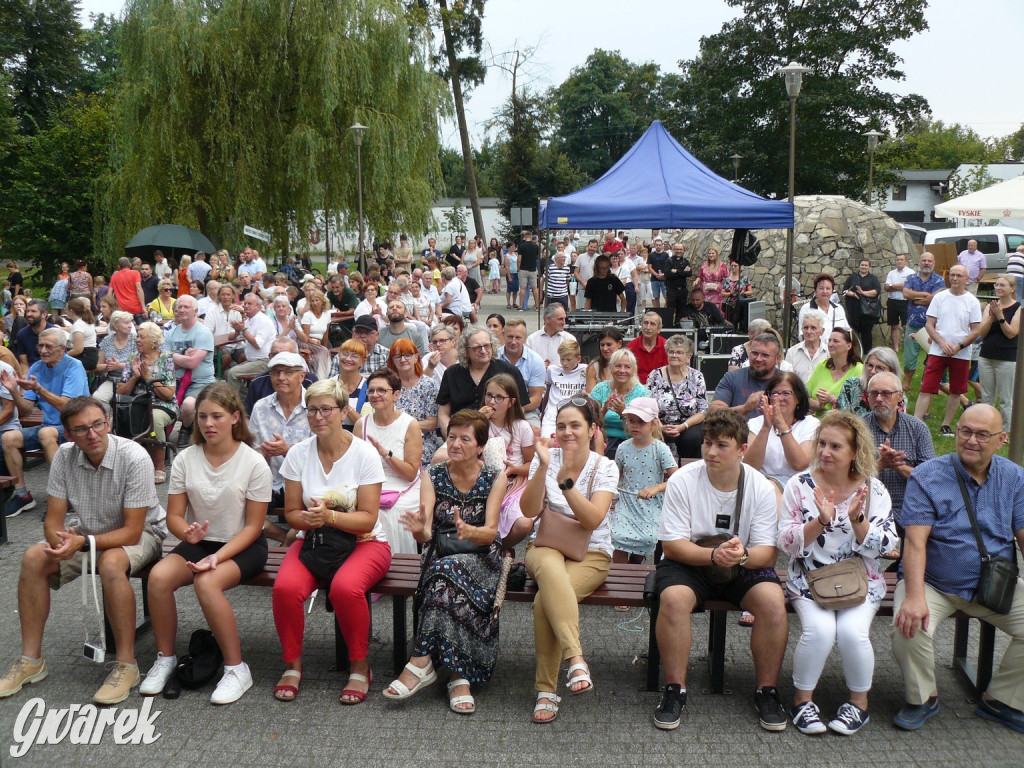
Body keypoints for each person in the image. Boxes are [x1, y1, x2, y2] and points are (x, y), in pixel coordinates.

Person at [0, 397, 167, 704]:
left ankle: (127, 665)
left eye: (97, 424)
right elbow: (53, 520)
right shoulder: (64, 456)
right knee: (34, 557)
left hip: (143, 532)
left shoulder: (135, 457)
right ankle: (31, 660)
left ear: (109, 423)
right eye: (81, 429)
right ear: (67, 434)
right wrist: (59, 542)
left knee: (112, 562)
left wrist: (82, 543)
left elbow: (132, 531)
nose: (92, 434)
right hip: (87, 531)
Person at [651, 409, 788, 731]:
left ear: (742, 450)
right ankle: (675, 689)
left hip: (742, 562)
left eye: (721, 445)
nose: (711, 452)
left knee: (772, 601)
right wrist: (714, 555)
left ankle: (767, 690)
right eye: (707, 443)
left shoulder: (761, 487)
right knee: (672, 599)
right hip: (690, 560)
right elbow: (672, 546)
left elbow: (767, 553)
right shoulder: (683, 479)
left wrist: (737, 557)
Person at [891, 404, 1024, 733]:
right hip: (935, 582)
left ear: (1001, 439)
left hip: (994, 584)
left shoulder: (1014, 477)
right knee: (908, 626)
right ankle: (923, 697)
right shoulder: (928, 476)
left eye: (983, 434)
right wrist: (915, 595)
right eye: (965, 431)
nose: (971, 440)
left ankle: (1001, 700)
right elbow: (916, 542)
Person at [140, 383, 271, 704]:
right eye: (202, 417)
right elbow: (174, 516)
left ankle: (236, 669)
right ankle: (165, 658)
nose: (209, 424)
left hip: (243, 545)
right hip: (199, 542)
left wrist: (218, 557)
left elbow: (254, 527)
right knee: (157, 578)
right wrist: (187, 533)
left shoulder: (253, 462)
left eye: (217, 416)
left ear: (236, 417)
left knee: (207, 583)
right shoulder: (186, 458)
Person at [778, 410, 897, 735]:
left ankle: (859, 705)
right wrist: (821, 521)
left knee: (851, 633)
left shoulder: (873, 491)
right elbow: (786, 542)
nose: (826, 452)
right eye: (823, 444)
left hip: (861, 581)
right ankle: (802, 702)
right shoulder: (799, 485)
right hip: (809, 581)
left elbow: (887, 544)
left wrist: (859, 522)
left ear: (855, 452)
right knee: (819, 631)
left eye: (836, 446)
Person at [385, 410, 505, 714]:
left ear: (480, 446)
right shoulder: (434, 474)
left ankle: (421, 662)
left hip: (481, 555)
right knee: (444, 572)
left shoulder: (494, 477)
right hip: (441, 551)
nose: (455, 443)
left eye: (465, 438)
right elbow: (427, 531)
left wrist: (472, 531)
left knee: (446, 574)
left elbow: (491, 532)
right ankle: (458, 676)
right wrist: (419, 529)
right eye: (452, 436)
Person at [519, 399, 619, 723]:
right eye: (561, 425)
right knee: (549, 569)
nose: (567, 432)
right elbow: (529, 510)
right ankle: (575, 659)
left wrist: (567, 484)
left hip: (592, 552)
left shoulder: (605, 466)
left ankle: (546, 690)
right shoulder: (546, 458)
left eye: (575, 425)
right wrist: (544, 467)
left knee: (542, 603)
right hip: (546, 544)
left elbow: (592, 520)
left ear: (592, 430)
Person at [1, 328, 90, 517]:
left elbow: (67, 406)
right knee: (8, 438)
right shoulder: (36, 368)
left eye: (48, 346)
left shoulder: (74, 366)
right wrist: (13, 392)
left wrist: (39, 389)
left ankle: (62, 497)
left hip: (77, 426)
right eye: (40, 345)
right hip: (49, 427)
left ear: (63, 348)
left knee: (46, 433)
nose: (42, 350)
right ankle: (22, 495)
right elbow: (26, 409)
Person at [354, 369, 422, 555]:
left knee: (391, 513)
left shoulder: (410, 425)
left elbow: (410, 473)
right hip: (372, 483)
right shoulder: (362, 424)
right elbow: (355, 466)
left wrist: (386, 454)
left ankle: (395, 563)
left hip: (403, 486)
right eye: (371, 391)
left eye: (382, 390)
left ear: (396, 394)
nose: (375, 395)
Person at [862, 371, 933, 538]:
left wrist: (898, 465)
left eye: (886, 393)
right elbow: (847, 477)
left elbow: (930, 480)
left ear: (900, 396)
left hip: (910, 507)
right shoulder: (857, 428)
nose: (879, 399)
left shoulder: (917, 429)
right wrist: (880, 464)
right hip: (868, 507)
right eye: (874, 393)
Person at [912, 265, 981, 436]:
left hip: (962, 353)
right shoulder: (940, 298)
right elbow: (929, 324)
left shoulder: (972, 301)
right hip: (937, 350)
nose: (955, 278)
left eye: (959, 275)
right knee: (926, 387)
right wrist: (942, 343)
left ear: (967, 279)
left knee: (957, 390)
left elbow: (976, 329)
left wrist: (959, 346)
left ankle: (946, 425)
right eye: (952, 275)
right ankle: (916, 423)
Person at [474, 373, 536, 553]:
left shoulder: (522, 427)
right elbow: (462, 451)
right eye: (489, 395)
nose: (492, 401)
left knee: (524, 523)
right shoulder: (478, 422)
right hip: (482, 482)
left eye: (499, 397)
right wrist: (477, 420)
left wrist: (515, 469)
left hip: (514, 483)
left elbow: (532, 464)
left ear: (511, 402)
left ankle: (499, 549)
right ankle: (490, 551)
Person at [612, 397, 677, 567]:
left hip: (651, 504)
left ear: (654, 424)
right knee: (617, 534)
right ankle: (619, 576)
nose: (634, 426)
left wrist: (657, 488)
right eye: (631, 421)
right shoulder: (623, 448)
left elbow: (677, 479)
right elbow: (615, 475)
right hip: (626, 502)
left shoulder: (660, 448)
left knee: (649, 537)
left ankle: (636, 561)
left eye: (641, 422)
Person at [436, 326, 528, 438]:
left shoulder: (509, 371)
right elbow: (443, 413)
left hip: (500, 434)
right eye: (477, 347)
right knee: (439, 456)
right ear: (466, 350)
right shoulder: (451, 373)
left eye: (487, 345)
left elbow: (519, 409)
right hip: (460, 433)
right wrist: (451, 435)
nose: (483, 351)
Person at [118, 321, 177, 484]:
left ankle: (159, 467)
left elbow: (169, 394)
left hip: (163, 405)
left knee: (155, 418)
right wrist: (136, 376)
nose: (137, 340)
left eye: (142, 337)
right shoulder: (132, 359)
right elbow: (121, 392)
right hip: (137, 404)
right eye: (137, 336)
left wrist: (149, 378)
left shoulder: (166, 358)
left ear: (154, 343)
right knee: (115, 416)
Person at [744, 373, 818, 489]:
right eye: (774, 393)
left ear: (798, 398)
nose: (779, 398)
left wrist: (780, 423)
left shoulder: (811, 424)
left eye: (786, 393)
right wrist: (766, 427)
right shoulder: (756, 423)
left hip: (798, 487)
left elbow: (799, 464)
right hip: (762, 486)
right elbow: (750, 466)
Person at [966, 274, 1019, 433]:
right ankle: (987, 428)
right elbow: (981, 332)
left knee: (1005, 399)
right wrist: (990, 317)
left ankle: (1005, 431)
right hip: (986, 356)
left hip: (1007, 358)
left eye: (1002, 285)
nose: (998, 288)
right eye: (996, 285)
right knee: (987, 396)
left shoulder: (1018, 308)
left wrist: (1000, 316)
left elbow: (1012, 333)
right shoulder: (990, 306)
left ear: (1012, 289)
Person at [164, 295, 216, 447]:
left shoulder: (203, 332)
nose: (182, 310)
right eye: (179, 307)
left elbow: (193, 363)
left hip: (200, 382)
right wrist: (182, 357)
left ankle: (186, 428)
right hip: (174, 381)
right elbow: (165, 365)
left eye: (186, 307)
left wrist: (173, 356)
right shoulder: (171, 333)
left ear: (195, 311)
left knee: (188, 405)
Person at [645, 334, 707, 460]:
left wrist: (682, 426)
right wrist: (660, 426)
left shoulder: (697, 376)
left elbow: (702, 411)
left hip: (688, 424)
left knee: (691, 438)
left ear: (688, 357)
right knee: (652, 435)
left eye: (679, 352)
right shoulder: (654, 375)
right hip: (659, 423)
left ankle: (689, 472)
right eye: (671, 352)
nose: (674, 355)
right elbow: (648, 406)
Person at [590, 349, 650, 459]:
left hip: (632, 442)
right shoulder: (600, 389)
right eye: (618, 366)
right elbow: (589, 422)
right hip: (602, 441)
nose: (622, 370)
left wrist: (624, 414)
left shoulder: (642, 393)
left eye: (627, 367)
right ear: (611, 368)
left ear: (633, 370)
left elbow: (646, 428)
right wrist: (603, 411)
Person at [710, 332, 783, 420]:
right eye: (755, 353)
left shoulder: (787, 382)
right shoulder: (732, 378)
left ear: (777, 359)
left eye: (765, 355)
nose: (758, 359)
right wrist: (745, 408)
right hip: (737, 433)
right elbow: (713, 412)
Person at [901, 251, 946, 390]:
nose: (926, 263)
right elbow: (906, 293)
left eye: (929, 261)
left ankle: (934, 383)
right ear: (919, 262)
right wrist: (925, 295)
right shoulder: (911, 278)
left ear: (933, 263)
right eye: (924, 260)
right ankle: (907, 383)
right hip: (913, 324)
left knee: (934, 356)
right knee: (909, 357)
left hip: (932, 326)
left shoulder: (939, 280)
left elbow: (934, 299)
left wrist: (916, 298)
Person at [224, 293, 276, 395]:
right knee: (226, 373)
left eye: (250, 304)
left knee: (232, 373)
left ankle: (234, 404)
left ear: (258, 307)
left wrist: (242, 330)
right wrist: (237, 331)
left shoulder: (264, 321)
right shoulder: (249, 320)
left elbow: (257, 344)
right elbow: (232, 337)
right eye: (245, 303)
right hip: (253, 361)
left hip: (265, 361)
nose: (246, 306)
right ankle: (246, 400)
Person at [498, 318, 545, 427]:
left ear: (525, 338)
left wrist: (514, 411)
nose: (513, 342)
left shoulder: (536, 361)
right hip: (496, 409)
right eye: (510, 337)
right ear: (503, 335)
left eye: (518, 337)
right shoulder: (493, 357)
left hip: (526, 411)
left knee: (534, 434)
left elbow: (536, 399)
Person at [806, 328, 863, 414]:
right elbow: (805, 395)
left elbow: (859, 408)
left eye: (836, 341)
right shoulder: (822, 365)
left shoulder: (859, 370)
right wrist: (817, 405)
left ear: (849, 346)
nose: (830, 344)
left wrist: (832, 400)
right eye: (829, 341)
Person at [836, 346, 903, 417]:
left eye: (880, 368)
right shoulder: (850, 386)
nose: (873, 371)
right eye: (870, 365)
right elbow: (839, 417)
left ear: (892, 372)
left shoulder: (896, 394)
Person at [541, 339, 587, 439]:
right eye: (562, 359)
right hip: (552, 416)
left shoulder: (586, 370)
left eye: (569, 360)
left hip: (576, 415)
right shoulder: (552, 370)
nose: (565, 363)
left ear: (578, 359)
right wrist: (542, 413)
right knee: (546, 444)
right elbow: (547, 393)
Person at [798, 273, 849, 342]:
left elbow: (846, 331)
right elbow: (803, 335)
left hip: (836, 350)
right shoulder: (806, 309)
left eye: (828, 288)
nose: (825, 291)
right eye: (821, 288)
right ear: (815, 290)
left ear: (832, 291)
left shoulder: (838, 309)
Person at [786, 309, 829, 383]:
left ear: (822, 331)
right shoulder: (792, 352)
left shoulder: (829, 353)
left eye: (813, 328)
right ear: (802, 329)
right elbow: (787, 380)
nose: (809, 331)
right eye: (806, 328)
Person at [884, 253, 915, 353]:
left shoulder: (911, 272)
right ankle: (896, 349)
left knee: (906, 326)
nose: (899, 261)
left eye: (901, 260)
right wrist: (900, 286)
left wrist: (892, 285)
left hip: (905, 302)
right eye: (897, 260)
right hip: (892, 302)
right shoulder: (891, 273)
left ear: (905, 261)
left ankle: (908, 346)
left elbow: (907, 286)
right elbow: (886, 288)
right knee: (894, 326)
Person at [627, 311, 668, 386]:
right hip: (636, 388)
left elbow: (669, 373)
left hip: (661, 388)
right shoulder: (631, 347)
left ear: (659, 329)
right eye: (645, 323)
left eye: (652, 324)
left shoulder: (667, 347)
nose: (648, 327)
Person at [14, 299, 54, 369]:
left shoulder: (55, 333)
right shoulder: (22, 334)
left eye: (33, 311)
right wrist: (26, 378)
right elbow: (24, 364)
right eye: (28, 311)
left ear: (44, 314)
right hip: (31, 372)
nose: (29, 314)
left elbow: (60, 361)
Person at [584, 325, 624, 392]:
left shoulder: (628, 365)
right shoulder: (594, 367)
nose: (605, 348)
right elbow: (590, 397)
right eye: (602, 345)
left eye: (609, 344)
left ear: (619, 344)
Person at [64, 297, 98, 371]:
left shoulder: (78, 325)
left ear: (71, 311)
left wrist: (63, 356)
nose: (65, 311)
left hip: (85, 357)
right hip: (91, 356)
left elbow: (78, 349)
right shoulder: (86, 321)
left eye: (66, 309)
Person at [722, 259, 754, 325]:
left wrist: (744, 292)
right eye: (732, 266)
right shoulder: (727, 280)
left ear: (739, 267)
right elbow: (722, 293)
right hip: (731, 306)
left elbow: (750, 291)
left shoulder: (744, 279)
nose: (733, 267)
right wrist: (730, 293)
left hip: (742, 304)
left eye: (735, 266)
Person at [517, 230, 541, 312]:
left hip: (523, 269)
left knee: (522, 288)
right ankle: (537, 305)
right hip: (533, 269)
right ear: (531, 237)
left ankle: (521, 305)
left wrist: (518, 268)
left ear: (525, 237)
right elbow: (538, 257)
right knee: (535, 288)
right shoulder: (536, 246)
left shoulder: (521, 246)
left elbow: (519, 259)